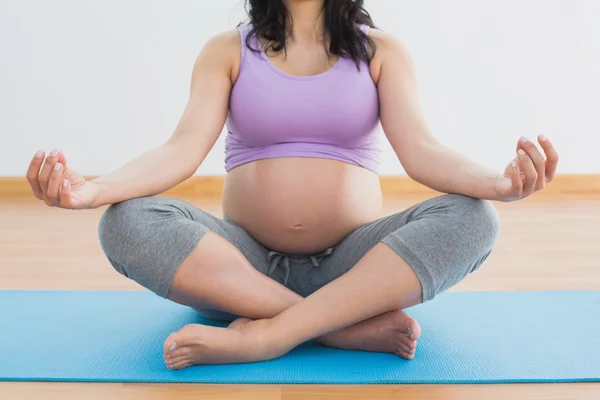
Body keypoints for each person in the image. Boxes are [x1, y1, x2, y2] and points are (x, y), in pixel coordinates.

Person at [26, 0, 559, 370]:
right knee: (124, 220)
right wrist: (92, 191)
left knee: (473, 219)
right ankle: (337, 328)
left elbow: (422, 153)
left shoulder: (382, 53)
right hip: (243, 267)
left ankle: (271, 332)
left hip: (352, 264)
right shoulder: (227, 51)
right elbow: (180, 150)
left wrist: (498, 184)